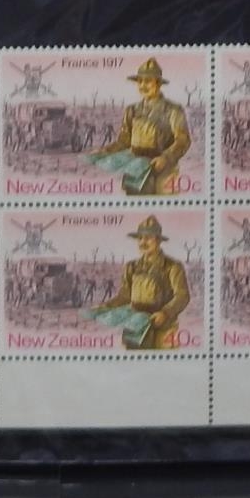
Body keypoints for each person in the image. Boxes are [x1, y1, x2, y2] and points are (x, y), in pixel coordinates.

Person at [95, 58, 190, 194]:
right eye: (140, 81)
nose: (143, 86)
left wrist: (166, 158)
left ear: (158, 84)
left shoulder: (173, 110)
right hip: (136, 170)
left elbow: (183, 140)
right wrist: (105, 151)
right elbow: (124, 141)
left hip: (163, 171)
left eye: (148, 81)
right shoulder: (132, 110)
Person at [94, 216, 190, 349]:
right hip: (135, 326)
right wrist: (106, 306)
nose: (143, 242)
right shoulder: (131, 266)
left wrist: (165, 313)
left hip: (162, 329)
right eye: (140, 238)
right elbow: (125, 295)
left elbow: (182, 296)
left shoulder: (172, 266)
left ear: (158, 240)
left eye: (148, 238)